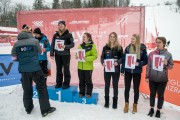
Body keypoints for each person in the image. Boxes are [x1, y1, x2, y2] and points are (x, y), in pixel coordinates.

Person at [11, 32, 56, 117]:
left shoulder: (16, 44)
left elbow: (14, 57)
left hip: (24, 71)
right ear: (29, 35)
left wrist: (22, 61)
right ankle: (45, 110)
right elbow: (39, 52)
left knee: (27, 89)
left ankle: (28, 108)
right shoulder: (35, 41)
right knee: (42, 88)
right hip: (36, 69)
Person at [146, 37, 174, 118]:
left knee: (160, 95)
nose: (157, 44)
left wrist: (166, 64)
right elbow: (148, 66)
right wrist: (147, 76)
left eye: (159, 42)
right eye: (156, 42)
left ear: (164, 43)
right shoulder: (151, 54)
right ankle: (151, 109)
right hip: (152, 78)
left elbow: (171, 67)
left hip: (162, 79)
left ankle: (158, 110)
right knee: (152, 94)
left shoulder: (168, 54)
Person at [121, 34, 148, 113]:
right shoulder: (128, 48)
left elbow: (145, 61)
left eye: (133, 39)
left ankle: (135, 105)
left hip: (137, 72)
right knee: (127, 88)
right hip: (128, 71)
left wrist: (139, 64)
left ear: (137, 40)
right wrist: (122, 70)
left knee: (136, 89)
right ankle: (126, 104)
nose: (132, 40)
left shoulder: (142, 49)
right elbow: (123, 59)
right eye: (131, 39)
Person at [101, 32, 123, 109]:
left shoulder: (119, 47)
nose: (112, 38)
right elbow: (102, 57)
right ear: (109, 37)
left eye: (114, 37)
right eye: (111, 36)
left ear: (116, 38)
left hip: (116, 70)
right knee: (107, 85)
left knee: (115, 86)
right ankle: (106, 102)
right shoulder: (105, 47)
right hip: (107, 69)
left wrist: (118, 62)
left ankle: (115, 102)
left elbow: (122, 58)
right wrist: (103, 62)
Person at [50, 20, 75, 89]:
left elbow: (72, 44)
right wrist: (52, 53)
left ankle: (66, 83)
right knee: (58, 69)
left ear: (65, 26)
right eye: (59, 25)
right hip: (57, 55)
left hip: (65, 55)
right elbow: (52, 44)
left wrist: (65, 46)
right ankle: (59, 83)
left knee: (66, 70)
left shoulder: (69, 34)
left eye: (62, 24)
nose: (60, 26)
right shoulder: (56, 35)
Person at [76, 32, 97, 98]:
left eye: (84, 37)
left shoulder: (92, 46)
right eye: (83, 37)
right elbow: (77, 54)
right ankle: (81, 92)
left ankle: (88, 93)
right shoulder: (80, 46)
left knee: (88, 81)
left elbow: (95, 56)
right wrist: (77, 56)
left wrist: (86, 58)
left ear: (89, 38)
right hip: (80, 67)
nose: (83, 38)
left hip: (88, 68)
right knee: (81, 81)